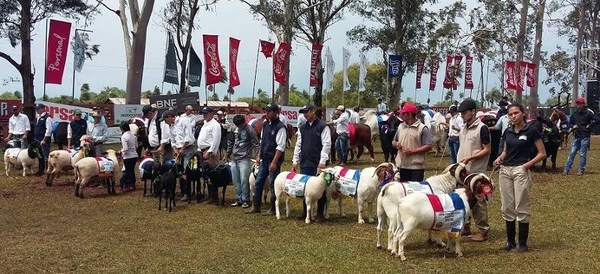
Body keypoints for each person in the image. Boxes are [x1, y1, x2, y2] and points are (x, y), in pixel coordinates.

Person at [494, 103, 546, 252]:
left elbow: (542, 153)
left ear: (523, 113)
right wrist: (500, 158)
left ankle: (522, 243)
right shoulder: (508, 131)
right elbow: (506, 150)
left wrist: (525, 166)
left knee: (521, 206)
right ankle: (510, 242)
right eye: (510, 114)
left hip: (521, 170)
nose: (513, 116)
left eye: (516, 113)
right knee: (507, 206)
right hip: (505, 170)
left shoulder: (532, 130)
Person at [455, 99, 492, 242]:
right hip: (462, 171)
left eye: (465, 112)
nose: (462, 115)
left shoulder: (482, 128)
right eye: (461, 113)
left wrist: (470, 158)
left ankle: (483, 231)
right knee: (463, 199)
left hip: (476, 171)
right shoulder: (463, 128)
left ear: (473, 111)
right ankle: (466, 226)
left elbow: (487, 150)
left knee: (479, 201)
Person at [292, 104, 331, 222]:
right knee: (305, 187)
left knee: (320, 187)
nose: (305, 114)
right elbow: (299, 144)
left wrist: (322, 161)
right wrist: (295, 160)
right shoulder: (303, 127)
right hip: (305, 161)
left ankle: (319, 213)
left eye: (307, 112)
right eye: (303, 112)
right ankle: (306, 212)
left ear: (313, 111)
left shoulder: (322, 126)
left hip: (317, 162)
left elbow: (326, 144)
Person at [246, 103, 286, 215]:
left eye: (269, 111)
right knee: (258, 182)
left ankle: (273, 208)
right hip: (264, 159)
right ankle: (256, 206)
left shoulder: (280, 127)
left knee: (273, 183)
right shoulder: (265, 124)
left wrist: (274, 162)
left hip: (274, 160)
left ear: (275, 112)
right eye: (266, 111)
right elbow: (262, 141)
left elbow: (280, 147)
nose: (266, 113)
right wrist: (259, 154)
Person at [391, 103, 432, 181]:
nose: (400, 115)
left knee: (415, 191)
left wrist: (413, 151)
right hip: (401, 166)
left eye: (403, 113)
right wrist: (396, 144)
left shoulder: (422, 128)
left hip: (415, 168)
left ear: (409, 114)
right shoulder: (401, 126)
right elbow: (393, 141)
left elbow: (429, 146)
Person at [226, 115, 260, 208]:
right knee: (236, 180)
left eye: (240, 125)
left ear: (244, 122)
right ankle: (238, 198)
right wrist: (227, 154)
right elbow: (230, 142)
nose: (239, 127)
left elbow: (256, 144)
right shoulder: (234, 128)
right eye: (237, 125)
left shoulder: (250, 130)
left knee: (244, 180)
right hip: (234, 158)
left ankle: (246, 199)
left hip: (245, 158)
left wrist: (258, 156)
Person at [563, 98, 599, 176]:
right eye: (577, 103)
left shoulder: (588, 113)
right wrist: (573, 126)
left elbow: (597, 120)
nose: (578, 105)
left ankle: (581, 170)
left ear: (583, 104)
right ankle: (566, 169)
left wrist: (590, 125)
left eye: (580, 103)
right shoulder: (574, 114)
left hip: (585, 136)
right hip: (576, 136)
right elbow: (569, 124)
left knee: (582, 154)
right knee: (572, 153)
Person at [33, 103, 52, 175]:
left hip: (44, 140)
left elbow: (49, 130)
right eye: (36, 109)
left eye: (38, 109)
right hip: (37, 139)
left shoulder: (47, 118)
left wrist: (44, 139)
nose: (37, 110)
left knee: (46, 156)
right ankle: (41, 170)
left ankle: (48, 170)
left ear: (43, 109)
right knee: (39, 155)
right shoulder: (37, 117)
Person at [119, 121, 138, 191]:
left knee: (128, 171)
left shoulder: (124, 136)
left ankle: (122, 182)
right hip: (134, 155)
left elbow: (125, 148)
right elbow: (136, 146)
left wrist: (121, 151)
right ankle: (132, 185)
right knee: (131, 171)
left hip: (128, 156)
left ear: (122, 129)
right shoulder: (134, 136)